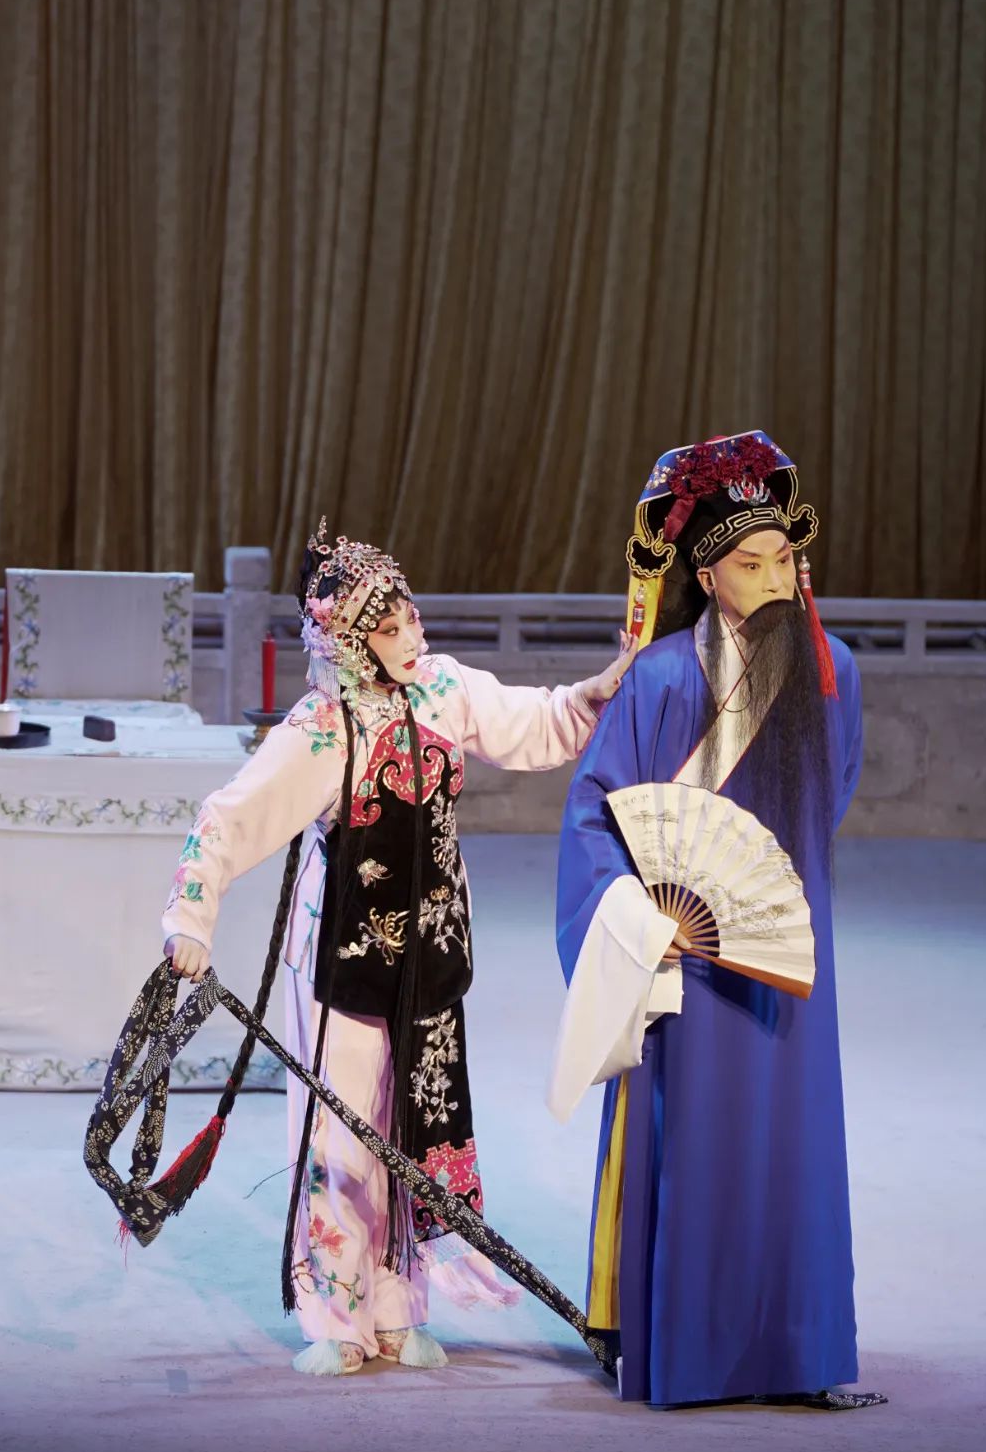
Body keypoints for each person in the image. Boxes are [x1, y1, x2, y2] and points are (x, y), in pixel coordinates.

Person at [163, 524, 635, 1377]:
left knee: (414, 1125)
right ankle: (335, 1315)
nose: (412, 634)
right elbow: (229, 819)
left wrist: (594, 692)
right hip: (344, 955)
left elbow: (536, 724)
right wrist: (190, 919)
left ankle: (397, 1306)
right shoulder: (321, 727)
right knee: (343, 1136)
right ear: (349, 642)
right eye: (389, 628)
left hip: (431, 949)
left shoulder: (443, 688)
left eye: (411, 615)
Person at [551, 431, 885, 1410]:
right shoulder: (659, 679)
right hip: (689, 960)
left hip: (785, 955)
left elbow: (833, 792)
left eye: (785, 560)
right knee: (694, 1140)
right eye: (750, 563)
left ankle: (799, 1352)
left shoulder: (833, 672)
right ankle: (689, 1350)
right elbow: (597, 812)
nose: (775, 580)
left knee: (795, 1144)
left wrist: (764, 899)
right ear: (705, 575)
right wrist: (639, 919)